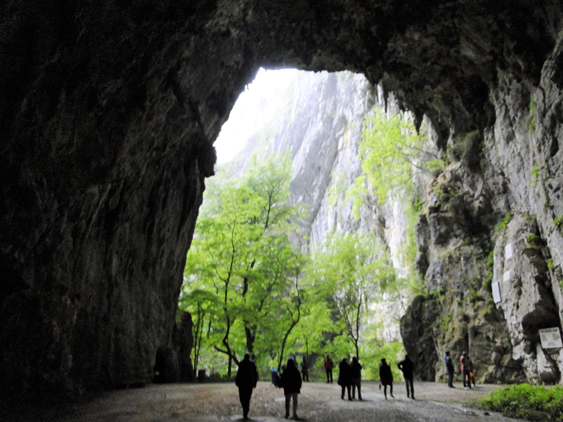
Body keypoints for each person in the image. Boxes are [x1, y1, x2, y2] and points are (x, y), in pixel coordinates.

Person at [235, 353, 259, 420]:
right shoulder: (252, 364)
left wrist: (237, 382)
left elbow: (238, 373)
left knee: (242, 397)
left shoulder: (241, 363)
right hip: (249, 383)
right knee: (247, 397)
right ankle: (246, 409)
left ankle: (245, 409)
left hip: (242, 383)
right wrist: (255, 382)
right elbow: (255, 374)